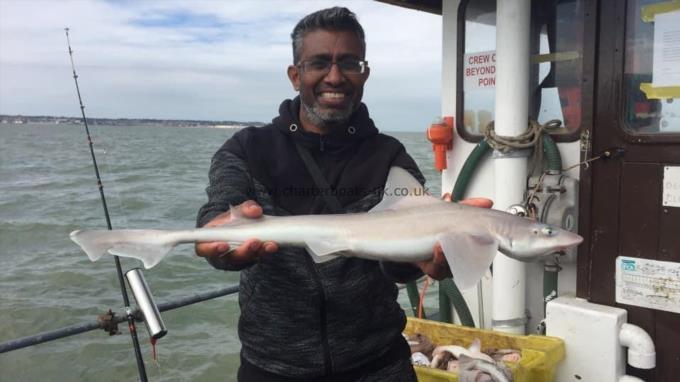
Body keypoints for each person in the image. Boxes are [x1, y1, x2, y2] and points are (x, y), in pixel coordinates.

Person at [195, 7, 491, 381]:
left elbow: (398, 267)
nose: (335, 77)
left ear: (364, 73)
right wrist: (221, 249)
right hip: (273, 368)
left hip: (379, 364)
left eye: (349, 63)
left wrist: (429, 257)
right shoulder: (248, 149)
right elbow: (217, 212)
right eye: (320, 63)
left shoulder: (389, 158)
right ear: (295, 74)